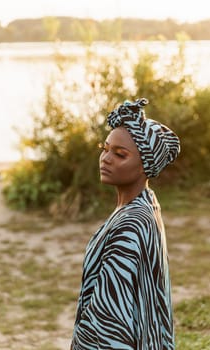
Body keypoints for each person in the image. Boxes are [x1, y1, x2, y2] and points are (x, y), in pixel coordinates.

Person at [70, 98, 180, 350]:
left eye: (120, 154)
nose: (106, 158)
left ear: (146, 165)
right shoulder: (145, 203)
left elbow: (110, 317)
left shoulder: (131, 223)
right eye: (104, 148)